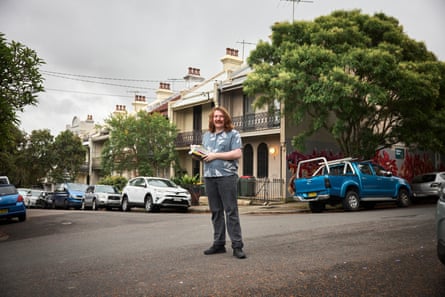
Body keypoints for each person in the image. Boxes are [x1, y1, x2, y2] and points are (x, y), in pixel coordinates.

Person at [201, 106, 246, 259]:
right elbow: (206, 154)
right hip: (209, 176)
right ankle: (219, 244)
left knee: (231, 211)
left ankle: (237, 246)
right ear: (212, 119)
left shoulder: (233, 134)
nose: (218, 119)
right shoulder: (206, 136)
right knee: (216, 211)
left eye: (221, 116)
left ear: (225, 118)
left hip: (226, 176)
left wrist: (215, 156)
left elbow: (237, 153)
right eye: (215, 117)